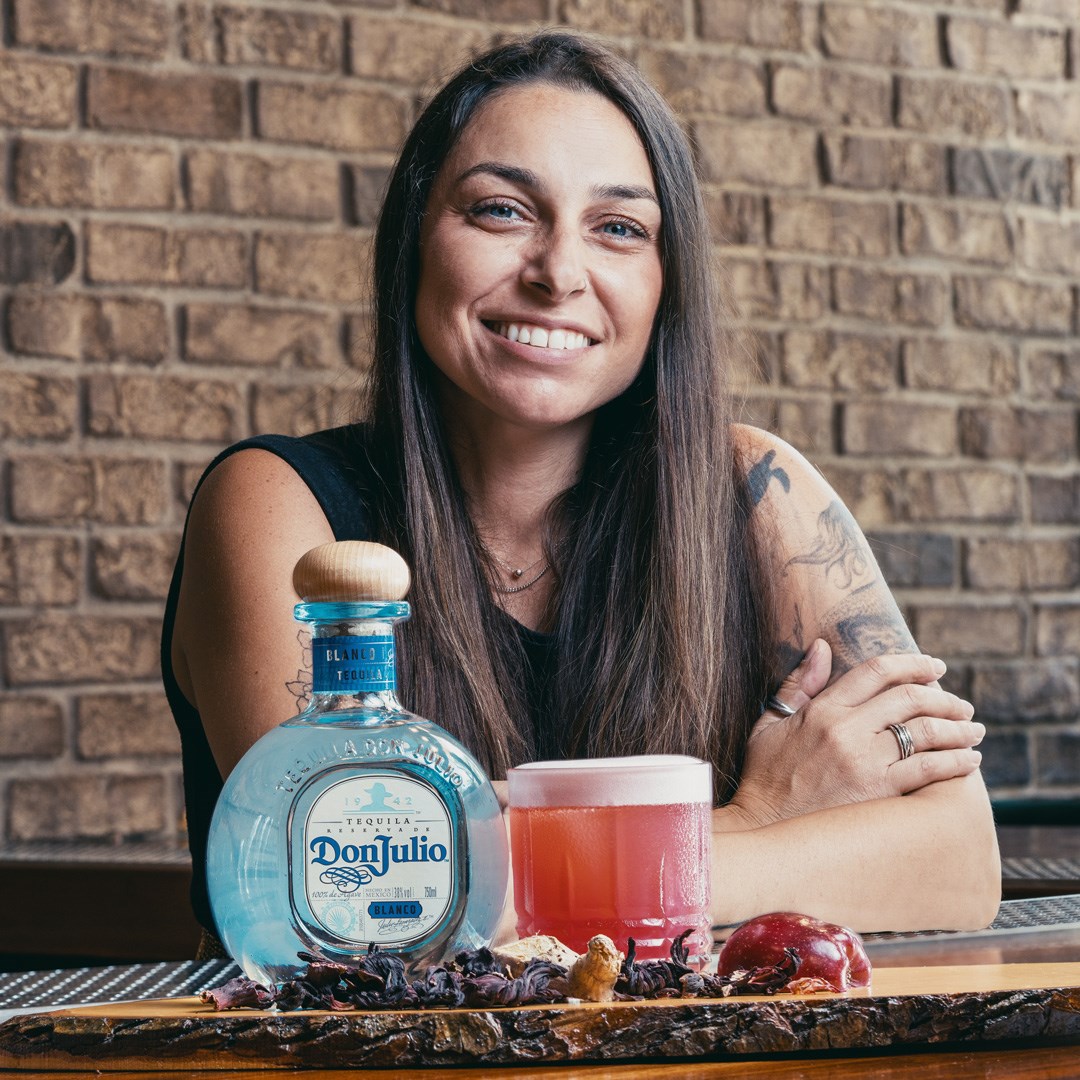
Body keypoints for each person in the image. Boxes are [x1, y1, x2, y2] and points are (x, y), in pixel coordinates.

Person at [163, 30, 1000, 955]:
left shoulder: (752, 491)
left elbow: (958, 861)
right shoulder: (283, 510)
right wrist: (764, 816)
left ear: (662, 282)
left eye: (618, 229)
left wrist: (522, 877)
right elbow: (366, 907)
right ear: (415, 243)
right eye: (500, 211)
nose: (558, 272)